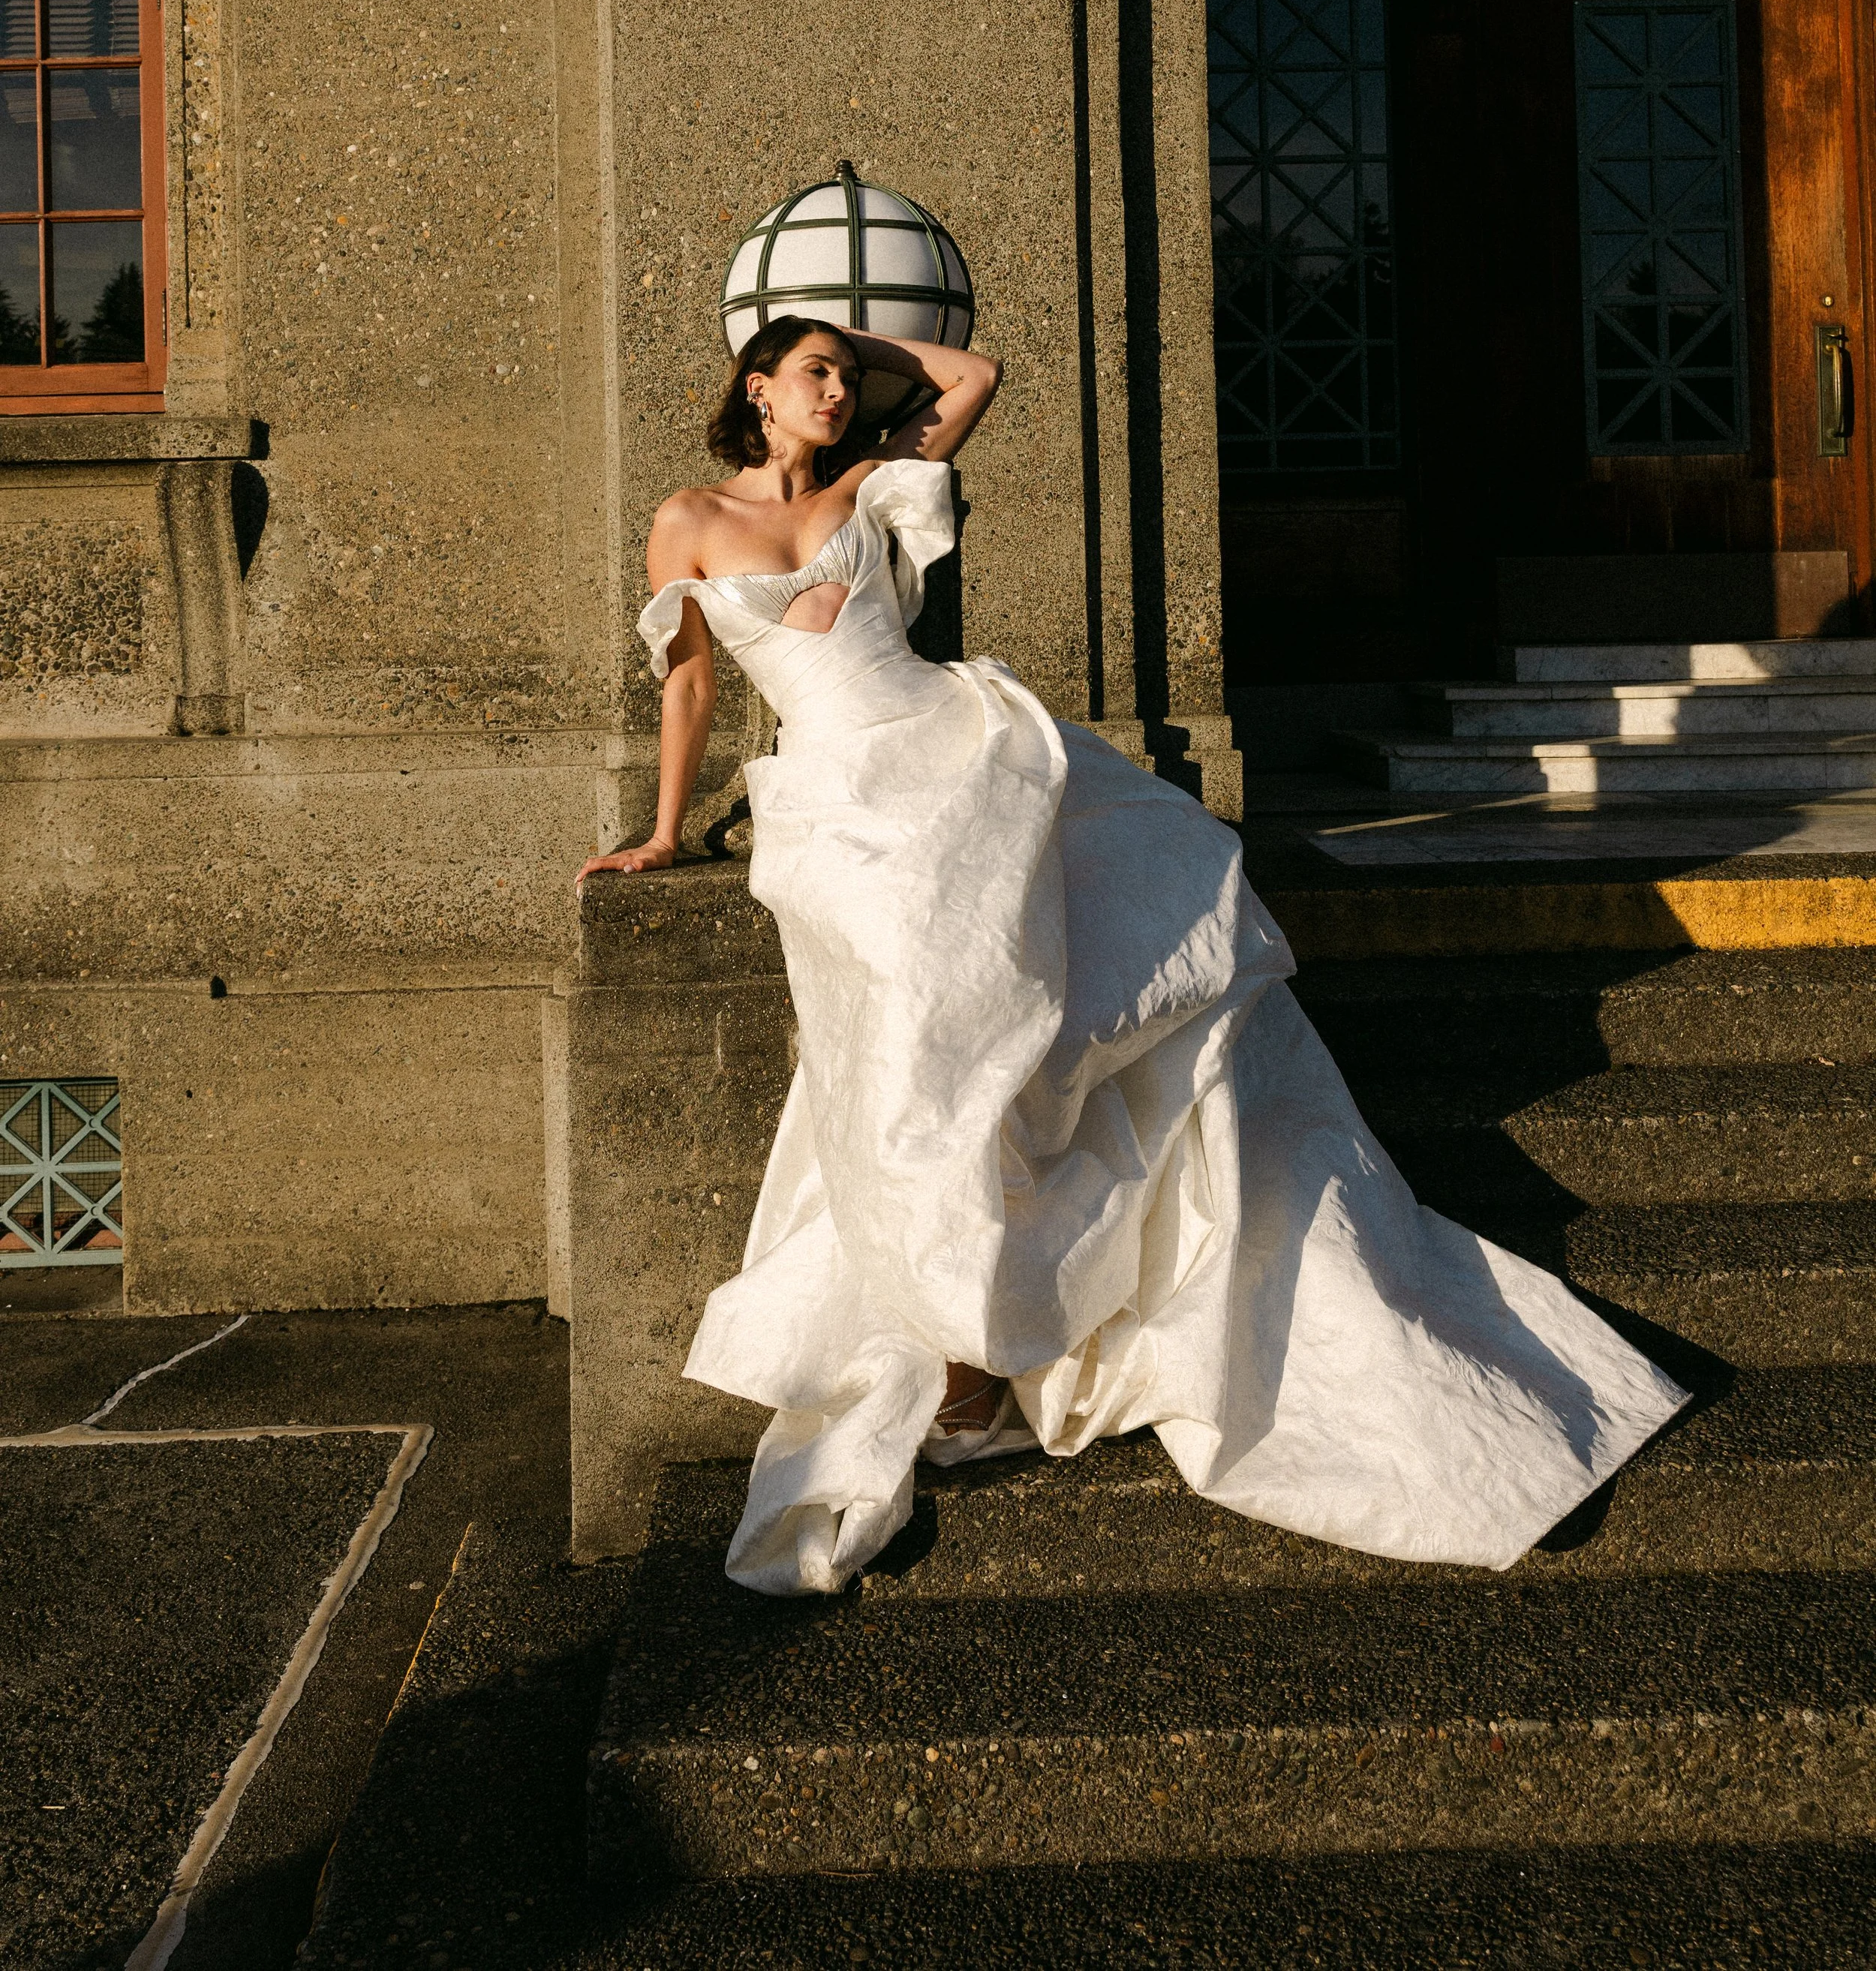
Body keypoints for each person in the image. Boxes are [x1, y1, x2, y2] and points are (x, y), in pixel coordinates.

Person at [577, 314, 1687, 1597]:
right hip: (841, 802)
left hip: (961, 757)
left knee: (1085, 968)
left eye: (844, 371)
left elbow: (974, 372)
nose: (834, 387)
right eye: (808, 369)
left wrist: (869, 346)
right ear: (753, 387)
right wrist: (663, 833)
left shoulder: (874, 482)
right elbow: (690, 689)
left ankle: (990, 1344)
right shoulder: (687, 520)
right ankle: (963, 1334)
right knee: (911, 1065)